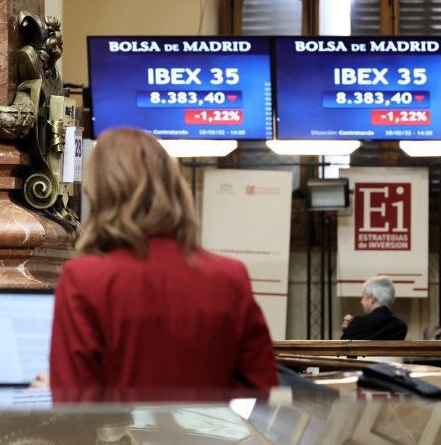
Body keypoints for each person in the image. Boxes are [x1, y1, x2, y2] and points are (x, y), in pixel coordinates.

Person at [49, 126, 278, 393]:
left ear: (101, 193)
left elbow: (75, 401)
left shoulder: (83, 279)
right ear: (174, 185)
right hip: (214, 422)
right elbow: (260, 389)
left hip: (122, 422)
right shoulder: (230, 276)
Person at [340, 275, 407, 340]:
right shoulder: (401, 327)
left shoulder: (359, 323)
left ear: (372, 298)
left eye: (363, 297)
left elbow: (342, 346)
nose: (361, 301)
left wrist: (348, 329)